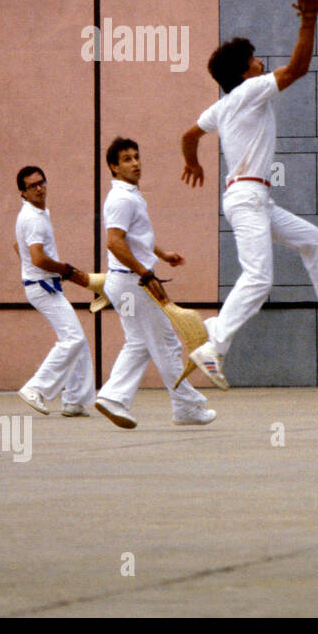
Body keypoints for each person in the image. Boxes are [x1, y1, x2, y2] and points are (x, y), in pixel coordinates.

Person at [180, 0, 318, 388]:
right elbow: (298, 68)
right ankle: (213, 343)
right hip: (247, 197)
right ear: (243, 71)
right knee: (259, 278)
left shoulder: (221, 107)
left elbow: (188, 135)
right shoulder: (250, 90)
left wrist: (193, 163)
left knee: (314, 240)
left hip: (253, 198)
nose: (260, 63)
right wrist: (308, 19)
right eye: (254, 60)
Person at [93, 137, 215, 429]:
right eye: (126, 159)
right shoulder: (122, 198)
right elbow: (114, 241)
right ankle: (186, 407)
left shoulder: (130, 194)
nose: (135, 163)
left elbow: (137, 238)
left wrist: (162, 254)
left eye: (136, 156)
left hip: (125, 283)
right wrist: (145, 273)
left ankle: (112, 397)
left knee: (139, 343)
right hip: (133, 283)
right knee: (167, 345)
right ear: (113, 166)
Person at [13, 166, 95, 416]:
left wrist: (39, 268)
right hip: (42, 287)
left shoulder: (36, 213)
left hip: (44, 285)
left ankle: (74, 401)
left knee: (77, 340)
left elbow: (19, 247)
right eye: (32, 186)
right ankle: (35, 389)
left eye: (41, 183)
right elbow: (37, 258)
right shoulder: (33, 218)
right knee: (73, 339)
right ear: (23, 193)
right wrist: (66, 270)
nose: (39, 188)